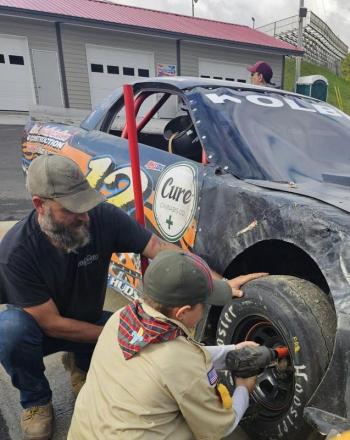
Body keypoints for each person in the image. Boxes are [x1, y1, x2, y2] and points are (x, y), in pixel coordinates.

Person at [0, 154, 265, 440]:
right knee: (10, 331)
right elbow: (52, 324)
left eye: (86, 205)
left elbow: (160, 248)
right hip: (42, 330)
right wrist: (125, 337)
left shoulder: (100, 218)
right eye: (72, 209)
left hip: (87, 318)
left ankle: (82, 365)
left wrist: (220, 285)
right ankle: (36, 400)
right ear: (40, 205)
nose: (85, 216)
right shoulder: (17, 252)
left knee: (124, 344)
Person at [68, 250, 258, 439]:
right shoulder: (178, 362)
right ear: (182, 312)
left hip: (85, 432)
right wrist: (243, 388)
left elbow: (169, 361)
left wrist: (232, 351)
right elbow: (220, 428)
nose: (204, 311)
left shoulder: (121, 318)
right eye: (204, 305)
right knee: (198, 420)